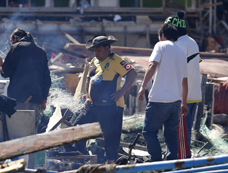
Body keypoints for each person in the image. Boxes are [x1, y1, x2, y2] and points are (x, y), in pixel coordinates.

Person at [78, 35, 137, 164]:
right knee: (78, 127)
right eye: (94, 50)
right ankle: (80, 158)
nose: (96, 53)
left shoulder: (117, 61)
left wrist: (122, 91)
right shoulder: (94, 61)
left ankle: (110, 166)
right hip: (93, 106)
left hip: (112, 107)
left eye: (98, 50)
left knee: (111, 137)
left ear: (107, 48)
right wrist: (87, 97)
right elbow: (88, 79)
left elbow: (132, 73)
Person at [138, 23, 188, 162]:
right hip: (176, 102)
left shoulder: (160, 45)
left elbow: (152, 65)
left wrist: (143, 86)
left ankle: (156, 160)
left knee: (149, 132)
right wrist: (184, 102)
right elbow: (185, 81)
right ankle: (171, 163)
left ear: (163, 36)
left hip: (159, 100)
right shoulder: (182, 52)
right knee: (171, 134)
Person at [166, 11, 202, 153]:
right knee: (185, 132)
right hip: (193, 94)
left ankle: (181, 162)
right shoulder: (191, 42)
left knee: (180, 133)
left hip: (183, 97)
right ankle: (182, 157)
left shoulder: (179, 45)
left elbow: (176, 71)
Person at [0, 28, 52, 116]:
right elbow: (46, 79)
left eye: (11, 40)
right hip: (36, 100)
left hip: (18, 98)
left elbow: (5, 73)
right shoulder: (41, 51)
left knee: (17, 126)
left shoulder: (16, 47)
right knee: (32, 127)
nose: (12, 42)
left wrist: (1, 67)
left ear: (15, 38)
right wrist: (43, 100)